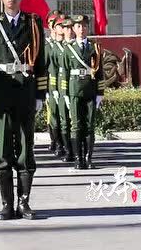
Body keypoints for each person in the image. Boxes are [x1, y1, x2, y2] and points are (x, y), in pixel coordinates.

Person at [0, 0, 47, 220]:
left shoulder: (33, 22)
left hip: (26, 91)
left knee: (26, 148)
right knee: (3, 150)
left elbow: (40, 60)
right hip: (0, 93)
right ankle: (7, 203)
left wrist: (41, 93)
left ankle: (24, 202)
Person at [61, 14, 104, 170]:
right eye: (78, 26)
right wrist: (65, 93)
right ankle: (78, 158)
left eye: (84, 26)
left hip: (90, 89)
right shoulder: (68, 48)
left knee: (90, 125)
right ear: (73, 29)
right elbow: (64, 72)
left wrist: (100, 93)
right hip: (74, 90)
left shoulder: (95, 47)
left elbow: (100, 72)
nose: (82, 29)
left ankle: (89, 157)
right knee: (76, 126)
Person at [54, 15, 75, 162]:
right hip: (62, 90)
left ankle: (78, 151)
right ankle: (68, 150)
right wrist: (55, 89)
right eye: (64, 27)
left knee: (76, 121)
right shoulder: (57, 48)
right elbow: (53, 69)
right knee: (64, 122)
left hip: (76, 88)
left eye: (69, 28)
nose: (67, 30)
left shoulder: (78, 46)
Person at [45, 10, 65, 157]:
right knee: (52, 115)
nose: (54, 25)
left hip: (63, 84)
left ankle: (64, 143)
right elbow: (44, 68)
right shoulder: (46, 44)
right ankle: (55, 140)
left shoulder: (65, 43)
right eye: (52, 23)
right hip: (51, 85)